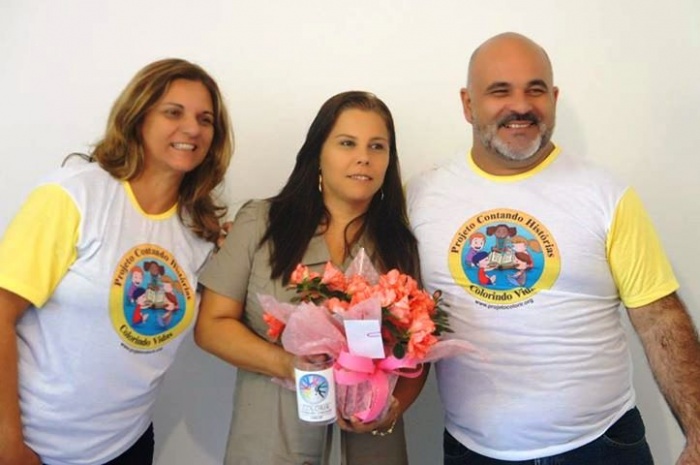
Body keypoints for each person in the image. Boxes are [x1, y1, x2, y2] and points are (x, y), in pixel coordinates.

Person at [406, 32, 700, 464]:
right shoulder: (420, 197)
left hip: (603, 447)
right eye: (500, 91)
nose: (521, 105)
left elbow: (659, 319)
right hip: (474, 451)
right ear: (468, 104)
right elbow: (397, 315)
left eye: (536, 90)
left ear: (554, 98)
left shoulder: (606, 194)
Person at [0, 58, 233, 465]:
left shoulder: (199, 230)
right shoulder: (75, 196)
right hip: (34, 445)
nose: (192, 129)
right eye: (173, 112)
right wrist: (8, 444)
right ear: (137, 117)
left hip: (126, 446)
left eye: (205, 119)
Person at [195, 91, 427, 465]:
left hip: (370, 445)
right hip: (272, 442)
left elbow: (417, 352)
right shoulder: (261, 224)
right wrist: (288, 364)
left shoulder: (401, 244)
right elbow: (211, 325)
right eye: (347, 143)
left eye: (377, 146)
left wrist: (393, 407)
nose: (363, 157)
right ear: (318, 152)